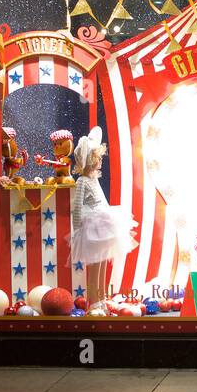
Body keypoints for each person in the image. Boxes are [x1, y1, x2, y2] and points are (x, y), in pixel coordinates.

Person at [69, 127, 138, 308]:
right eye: (97, 157)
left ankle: (100, 299)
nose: (100, 160)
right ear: (89, 159)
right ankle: (93, 302)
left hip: (103, 223)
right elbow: (77, 207)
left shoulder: (94, 178)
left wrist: (111, 218)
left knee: (101, 264)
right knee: (94, 266)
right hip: (92, 227)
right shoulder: (82, 181)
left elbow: (102, 201)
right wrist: (77, 230)